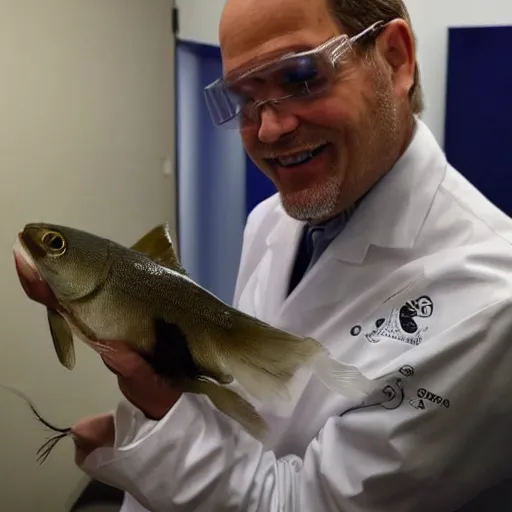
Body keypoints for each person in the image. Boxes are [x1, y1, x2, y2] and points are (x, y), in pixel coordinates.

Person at [21, 0, 512, 510]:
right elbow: (254, 403)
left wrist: (163, 420)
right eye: (243, 97)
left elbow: (303, 502)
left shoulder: (490, 302)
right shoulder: (271, 220)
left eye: (300, 77)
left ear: (395, 58)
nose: (268, 130)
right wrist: (162, 408)